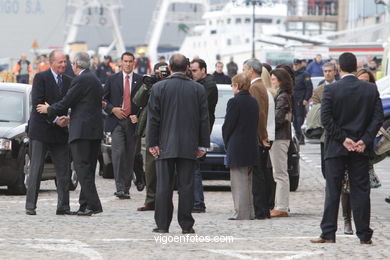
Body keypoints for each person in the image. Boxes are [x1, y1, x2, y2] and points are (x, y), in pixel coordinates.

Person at [311, 52, 383, 244]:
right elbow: (378, 118)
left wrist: (343, 139)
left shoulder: (331, 90)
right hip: (360, 148)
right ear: (356, 67)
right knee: (361, 191)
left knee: (333, 190)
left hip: (336, 147)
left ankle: (328, 233)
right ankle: (364, 235)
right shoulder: (369, 89)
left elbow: (326, 119)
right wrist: (364, 140)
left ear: (339, 69)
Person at [147, 53, 210, 233]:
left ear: (169, 67)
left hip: (164, 144)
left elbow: (154, 119)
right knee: (187, 186)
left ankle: (162, 224)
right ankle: (186, 225)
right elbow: (203, 119)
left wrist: (152, 143)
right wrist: (202, 145)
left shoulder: (159, 88)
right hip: (189, 144)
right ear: (187, 68)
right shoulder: (197, 89)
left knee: (163, 187)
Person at [37, 52, 104, 217]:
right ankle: (84, 205)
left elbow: (67, 101)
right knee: (88, 170)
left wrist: (49, 109)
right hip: (94, 131)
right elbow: (84, 105)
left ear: (76, 64)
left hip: (82, 132)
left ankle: (94, 205)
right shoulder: (94, 78)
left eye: (71, 64)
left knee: (82, 169)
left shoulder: (80, 79)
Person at [25, 50, 74, 216]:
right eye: (60, 62)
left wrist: (66, 118)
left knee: (63, 170)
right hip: (41, 130)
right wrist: (55, 119)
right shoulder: (41, 78)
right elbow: (38, 105)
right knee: (36, 169)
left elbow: (70, 104)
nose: (63, 65)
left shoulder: (69, 81)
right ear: (52, 62)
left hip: (60, 132)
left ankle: (63, 206)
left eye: (65, 62)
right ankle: (30, 206)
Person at [103, 52, 143, 199]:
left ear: (134, 63)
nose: (127, 64)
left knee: (129, 155)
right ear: (121, 62)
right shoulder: (112, 79)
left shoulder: (140, 80)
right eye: (125, 61)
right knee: (118, 153)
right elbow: (103, 100)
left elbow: (145, 103)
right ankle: (119, 187)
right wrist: (112, 109)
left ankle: (126, 187)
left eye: (130, 61)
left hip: (132, 123)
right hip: (116, 122)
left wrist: (137, 115)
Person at [223, 73, 259, 220]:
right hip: (251, 145)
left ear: (237, 86)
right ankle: (250, 212)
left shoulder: (234, 102)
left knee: (238, 182)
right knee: (248, 182)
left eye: (233, 85)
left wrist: (227, 143)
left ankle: (241, 213)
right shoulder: (253, 101)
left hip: (237, 145)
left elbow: (228, 126)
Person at [134, 62, 169, 211]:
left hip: (167, 130)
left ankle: (164, 201)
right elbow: (137, 101)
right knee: (150, 169)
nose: (159, 75)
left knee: (166, 169)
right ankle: (151, 200)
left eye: (162, 73)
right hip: (150, 130)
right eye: (157, 72)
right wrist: (147, 85)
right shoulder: (150, 84)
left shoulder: (170, 85)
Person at [190, 58, 218, 213]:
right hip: (195, 131)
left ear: (203, 70)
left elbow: (198, 106)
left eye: (195, 71)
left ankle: (198, 202)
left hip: (199, 132)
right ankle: (194, 201)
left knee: (194, 169)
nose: (192, 74)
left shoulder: (209, 85)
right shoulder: (198, 84)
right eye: (190, 70)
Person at [243, 59, 270, 219]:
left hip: (258, 137)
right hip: (260, 135)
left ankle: (260, 210)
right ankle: (263, 209)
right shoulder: (260, 86)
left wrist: (262, 136)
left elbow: (259, 114)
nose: (244, 73)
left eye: (245, 69)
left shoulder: (254, 87)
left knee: (258, 176)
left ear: (251, 70)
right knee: (260, 175)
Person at [269, 68, 293, 217]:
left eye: (273, 79)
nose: (271, 82)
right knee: (278, 173)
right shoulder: (282, 95)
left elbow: (278, 119)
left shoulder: (282, 96)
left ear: (280, 81)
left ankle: (282, 207)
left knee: (280, 173)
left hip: (279, 137)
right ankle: (280, 205)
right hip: (280, 137)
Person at [293, 59, 313, 144]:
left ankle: (300, 137)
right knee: (294, 120)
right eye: (294, 65)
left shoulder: (305, 74)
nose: (295, 66)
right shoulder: (293, 74)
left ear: (300, 64)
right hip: (293, 99)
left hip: (300, 100)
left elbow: (309, 88)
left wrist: (306, 99)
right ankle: (299, 137)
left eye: (297, 64)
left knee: (299, 119)